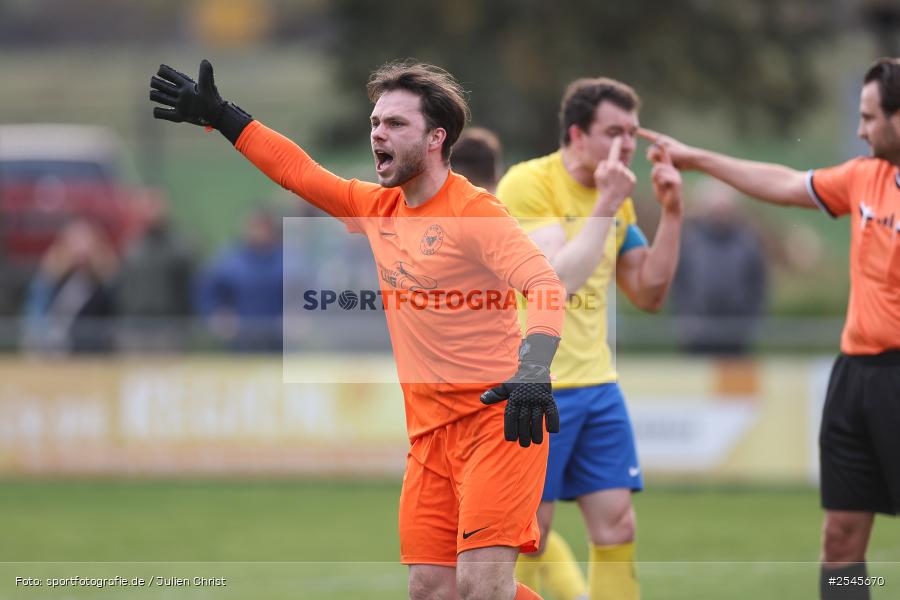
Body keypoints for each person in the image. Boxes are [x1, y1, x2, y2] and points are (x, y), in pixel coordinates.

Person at [149, 59, 567, 600]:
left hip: (497, 424)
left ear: (437, 138)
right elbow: (298, 172)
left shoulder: (475, 213)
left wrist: (534, 367)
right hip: (428, 436)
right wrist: (222, 117)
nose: (378, 133)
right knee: (430, 590)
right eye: (375, 122)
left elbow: (545, 286)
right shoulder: (378, 208)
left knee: (481, 589)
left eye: (396, 124)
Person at [639, 57, 900, 600]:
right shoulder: (863, 176)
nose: (859, 130)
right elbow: (783, 183)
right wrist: (696, 160)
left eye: (870, 117)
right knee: (840, 543)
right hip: (855, 377)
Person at [497, 78, 684, 600]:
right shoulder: (528, 183)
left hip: (599, 385)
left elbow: (648, 292)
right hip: (538, 386)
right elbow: (555, 284)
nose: (626, 145)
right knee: (530, 537)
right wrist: (606, 202)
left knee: (618, 528)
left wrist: (671, 212)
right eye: (613, 132)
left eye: (632, 133)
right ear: (577, 134)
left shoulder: (617, 198)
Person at [453, 125, 592, 600]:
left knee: (512, 536)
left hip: (515, 386)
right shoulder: (503, 218)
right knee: (525, 530)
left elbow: (549, 284)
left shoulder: (484, 222)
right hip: (546, 375)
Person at [671, 179, 767, 355]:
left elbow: (759, 285)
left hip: (736, 335)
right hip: (697, 333)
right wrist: (684, 321)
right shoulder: (690, 241)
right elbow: (677, 284)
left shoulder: (748, 243)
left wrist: (750, 325)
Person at [22, 218, 119, 353]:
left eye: (87, 244)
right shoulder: (52, 280)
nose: (81, 252)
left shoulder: (101, 283)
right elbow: (37, 309)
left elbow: (116, 300)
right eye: (75, 243)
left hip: (93, 352)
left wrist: (101, 267)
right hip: (57, 350)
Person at [195, 209, 284, 352]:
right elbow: (207, 294)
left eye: (264, 227)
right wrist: (218, 314)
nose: (259, 232)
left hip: (280, 344)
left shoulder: (287, 260)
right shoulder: (227, 261)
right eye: (255, 227)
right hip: (239, 344)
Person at [116, 196, 195, 351]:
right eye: (147, 206)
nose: (151, 212)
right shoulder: (131, 245)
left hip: (168, 328)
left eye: (155, 206)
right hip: (134, 327)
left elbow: (187, 288)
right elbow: (122, 287)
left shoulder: (179, 247)